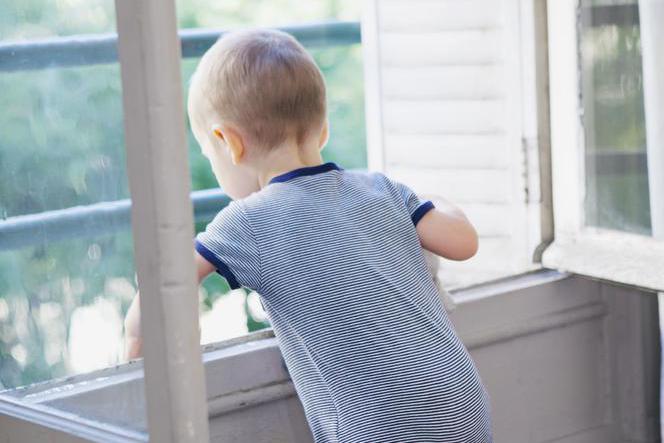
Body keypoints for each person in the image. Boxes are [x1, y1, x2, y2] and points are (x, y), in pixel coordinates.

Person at [123, 28, 493, 442]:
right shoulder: (380, 189)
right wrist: (431, 201)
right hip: (462, 405)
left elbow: (167, 280)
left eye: (210, 155)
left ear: (228, 142)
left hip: (379, 430)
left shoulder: (246, 221)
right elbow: (464, 242)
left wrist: (133, 341)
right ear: (323, 130)